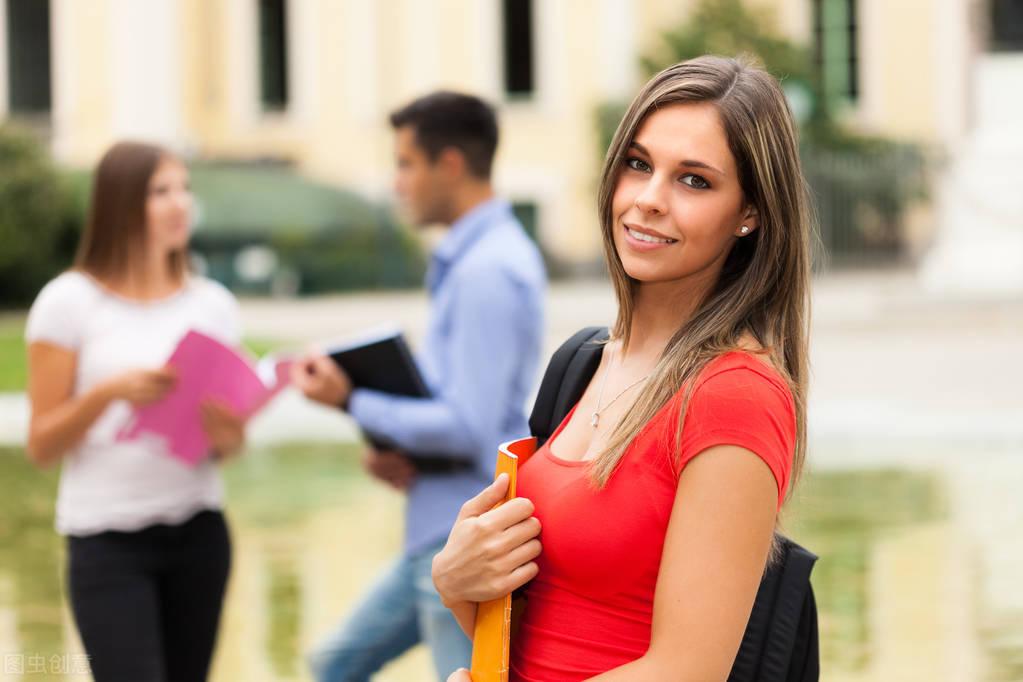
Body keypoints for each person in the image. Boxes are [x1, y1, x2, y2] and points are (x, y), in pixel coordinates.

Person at [432, 54, 813, 681]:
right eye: (638, 165)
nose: (648, 200)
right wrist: (454, 582)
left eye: (694, 180)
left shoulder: (734, 393)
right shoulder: (584, 364)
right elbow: (551, 630)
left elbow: (686, 672)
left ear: (751, 213)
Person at [292, 92, 546, 681]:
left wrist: (351, 399)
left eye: (406, 163)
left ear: (450, 165)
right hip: (438, 529)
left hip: (461, 540)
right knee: (332, 666)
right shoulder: (471, 259)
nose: (397, 182)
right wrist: (393, 446)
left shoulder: (488, 270)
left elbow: (467, 425)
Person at [25, 141, 248, 682]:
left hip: (200, 534)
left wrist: (225, 430)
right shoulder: (68, 302)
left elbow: (232, 447)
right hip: (107, 543)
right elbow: (41, 446)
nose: (180, 204)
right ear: (120, 204)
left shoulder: (213, 304)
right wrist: (109, 394)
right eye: (160, 192)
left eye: (184, 189)